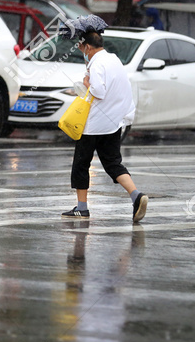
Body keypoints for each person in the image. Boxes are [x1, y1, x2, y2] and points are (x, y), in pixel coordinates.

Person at [62, 29, 148, 222]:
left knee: (81, 164)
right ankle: (136, 196)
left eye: (81, 47)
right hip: (113, 122)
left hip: (93, 124)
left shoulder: (97, 64)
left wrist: (87, 81)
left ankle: (82, 208)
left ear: (89, 47)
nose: (81, 50)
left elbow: (99, 91)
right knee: (112, 163)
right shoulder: (113, 59)